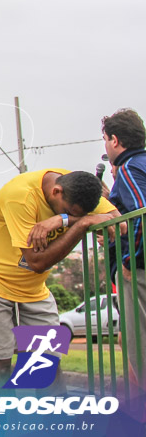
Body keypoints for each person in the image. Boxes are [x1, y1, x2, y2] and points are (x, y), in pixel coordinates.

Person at [0, 169, 117, 392]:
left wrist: (62, 218)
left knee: (46, 362)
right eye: (68, 211)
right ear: (56, 191)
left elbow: (118, 222)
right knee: (0, 365)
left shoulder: (82, 188)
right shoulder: (20, 196)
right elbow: (36, 261)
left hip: (31, 288)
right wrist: (81, 225)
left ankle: (54, 425)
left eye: (81, 215)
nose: (76, 217)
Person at [101, 108, 146, 390]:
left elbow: (140, 213)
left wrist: (130, 258)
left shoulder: (129, 167)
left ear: (115, 140)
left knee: (138, 343)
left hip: (139, 270)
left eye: (105, 139)